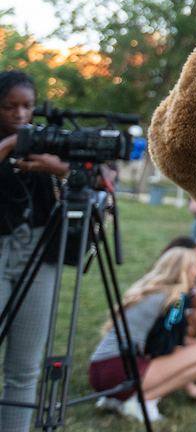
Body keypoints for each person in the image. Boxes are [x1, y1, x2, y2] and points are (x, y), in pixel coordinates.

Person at [0, 71, 68, 432]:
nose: (20, 114)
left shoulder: (46, 140)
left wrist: (57, 169)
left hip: (39, 256)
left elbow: (91, 182)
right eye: (9, 106)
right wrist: (10, 145)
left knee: (25, 368)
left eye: (27, 106)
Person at [88, 247, 196, 422]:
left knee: (191, 346)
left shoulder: (149, 291)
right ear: (182, 271)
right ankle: (143, 401)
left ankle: (118, 398)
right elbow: (164, 345)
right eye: (194, 267)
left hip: (98, 371)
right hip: (121, 371)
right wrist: (191, 386)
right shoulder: (175, 299)